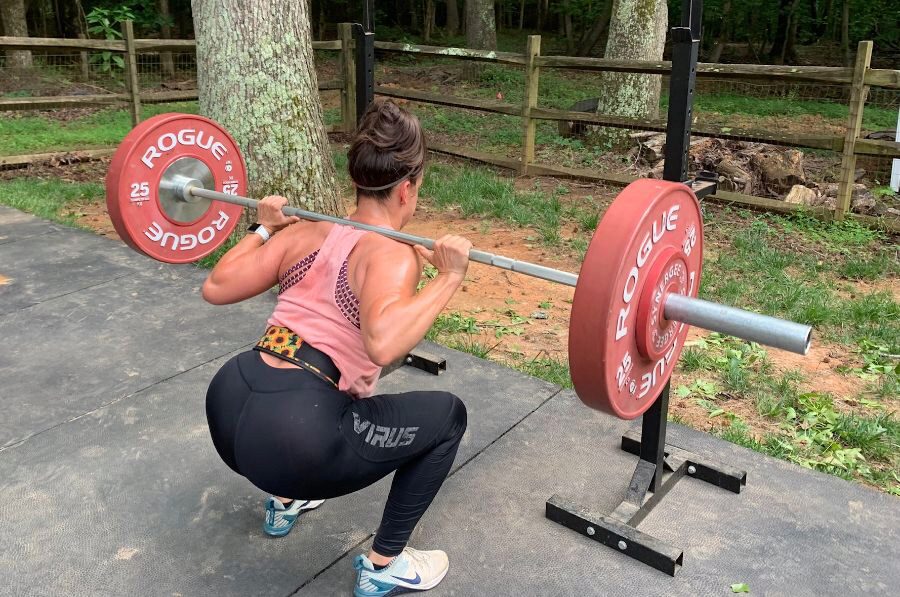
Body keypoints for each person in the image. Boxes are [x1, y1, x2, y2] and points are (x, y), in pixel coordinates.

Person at [202, 99, 471, 596]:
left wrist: (263, 227)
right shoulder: (392, 253)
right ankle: (384, 564)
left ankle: (284, 502)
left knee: (319, 396)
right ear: (409, 187)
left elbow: (217, 285)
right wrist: (449, 277)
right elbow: (385, 343)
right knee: (448, 416)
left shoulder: (304, 230)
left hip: (230, 404)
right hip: (294, 437)